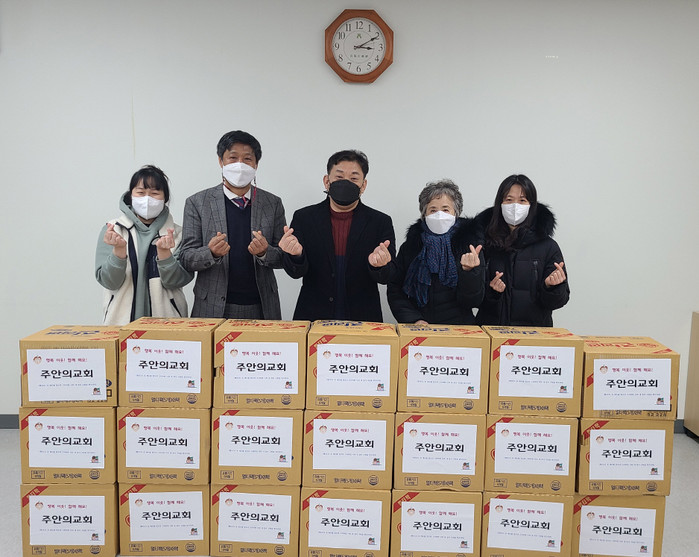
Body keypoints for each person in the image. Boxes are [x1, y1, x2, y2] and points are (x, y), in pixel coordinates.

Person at [178, 130, 286, 319]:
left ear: (256, 164)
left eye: (247, 159)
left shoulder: (272, 203)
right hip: (211, 307)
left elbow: (284, 258)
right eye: (233, 158)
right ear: (221, 161)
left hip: (262, 306)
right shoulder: (198, 203)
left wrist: (264, 252)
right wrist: (210, 253)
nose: (240, 165)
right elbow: (186, 258)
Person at [279, 149, 396, 321]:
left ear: (363, 185)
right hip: (314, 316)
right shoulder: (304, 217)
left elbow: (389, 276)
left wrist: (379, 265)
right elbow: (295, 273)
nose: (346, 183)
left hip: (363, 318)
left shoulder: (380, 221)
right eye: (339, 177)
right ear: (327, 181)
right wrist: (296, 255)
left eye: (354, 179)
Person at [95, 165, 193, 325]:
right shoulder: (113, 230)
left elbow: (177, 281)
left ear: (165, 198)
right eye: (140, 193)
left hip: (167, 325)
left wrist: (165, 255)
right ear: (131, 196)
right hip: (121, 324)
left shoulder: (177, 233)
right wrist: (118, 251)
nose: (147, 199)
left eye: (154, 193)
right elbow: (109, 282)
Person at [475, 174, 569, 326]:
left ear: (531, 205)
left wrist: (552, 287)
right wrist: (492, 292)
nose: (515, 206)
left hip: (534, 335)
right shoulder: (483, 243)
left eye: (522, 200)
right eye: (509, 200)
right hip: (492, 331)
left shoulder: (548, 247)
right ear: (499, 203)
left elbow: (559, 301)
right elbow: (472, 298)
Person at [388, 180, 485, 324]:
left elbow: (473, 301)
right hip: (419, 329)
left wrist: (469, 273)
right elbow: (395, 289)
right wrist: (414, 319)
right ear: (424, 214)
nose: (439, 215)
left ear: (456, 212)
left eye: (445, 210)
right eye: (433, 210)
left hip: (459, 329)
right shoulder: (411, 247)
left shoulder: (469, 247)